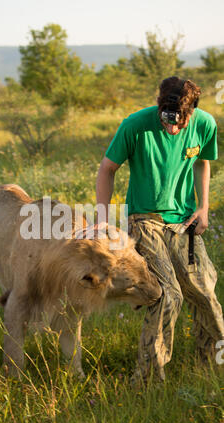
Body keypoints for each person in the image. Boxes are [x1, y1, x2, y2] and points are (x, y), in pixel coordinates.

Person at [96, 76, 224, 384]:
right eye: (167, 118)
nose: (172, 127)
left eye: (180, 120)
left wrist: (203, 207)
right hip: (144, 218)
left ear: (191, 111)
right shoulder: (135, 125)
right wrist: (102, 220)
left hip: (183, 220)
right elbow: (107, 168)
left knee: (204, 289)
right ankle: (148, 379)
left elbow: (203, 162)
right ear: (159, 107)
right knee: (169, 295)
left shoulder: (205, 124)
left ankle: (213, 363)